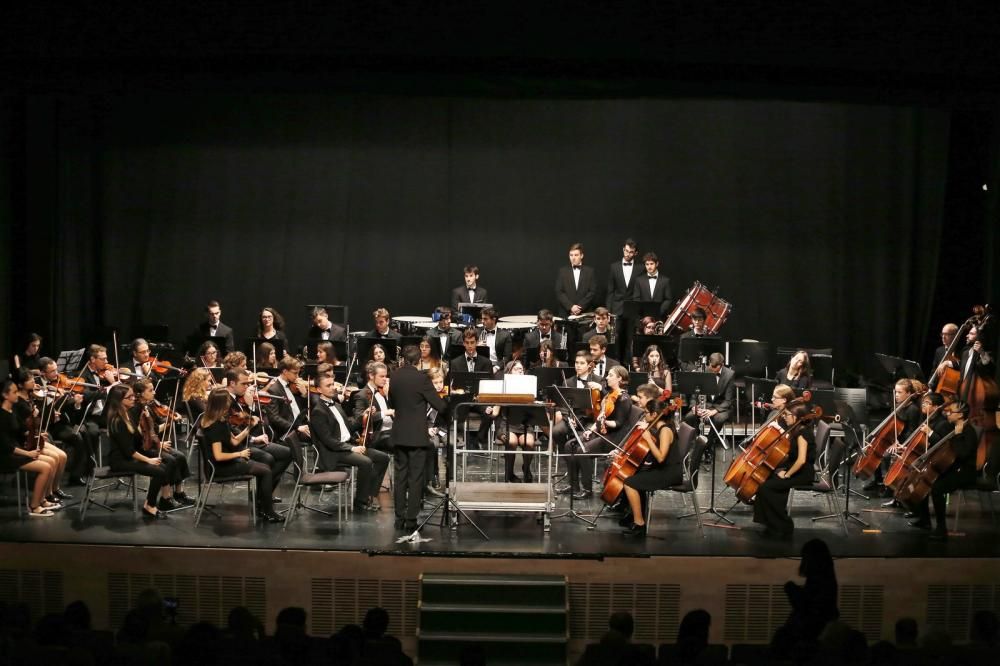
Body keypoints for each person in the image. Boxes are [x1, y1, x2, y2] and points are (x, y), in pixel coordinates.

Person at [199, 387, 283, 523]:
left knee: (265, 466)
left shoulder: (219, 420)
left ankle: (263, 505)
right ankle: (268, 511)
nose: (229, 404)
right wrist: (240, 453)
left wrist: (249, 428)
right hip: (221, 467)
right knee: (266, 470)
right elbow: (218, 456)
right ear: (221, 404)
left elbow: (234, 441)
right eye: (227, 402)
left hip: (227, 461)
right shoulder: (215, 426)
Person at [388, 345, 448, 531]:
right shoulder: (422, 378)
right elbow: (439, 405)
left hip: (399, 434)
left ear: (404, 359)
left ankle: (399, 519)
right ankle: (412, 520)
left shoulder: (395, 376)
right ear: (418, 361)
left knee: (400, 477)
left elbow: (392, 402)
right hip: (416, 436)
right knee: (415, 479)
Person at [311, 373, 390, 514]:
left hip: (347, 446)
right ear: (318, 389)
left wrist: (364, 415)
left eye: (333, 384)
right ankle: (360, 502)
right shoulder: (318, 411)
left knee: (383, 458)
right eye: (328, 386)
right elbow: (328, 441)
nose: (332, 388)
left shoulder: (336, 405)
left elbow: (350, 426)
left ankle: (369, 495)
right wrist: (352, 448)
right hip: (334, 452)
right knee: (365, 462)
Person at [906, 400, 979, 540]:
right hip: (952, 468)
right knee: (925, 481)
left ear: (960, 415)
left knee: (937, 488)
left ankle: (941, 528)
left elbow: (962, 454)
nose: (947, 414)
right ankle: (925, 520)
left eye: (951, 412)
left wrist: (957, 436)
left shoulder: (969, 431)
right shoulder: (952, 427)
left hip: (964, 472)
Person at [620, 382, 680, 537]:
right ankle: (633, 515)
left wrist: (648, 438)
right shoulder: (660, 427)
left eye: (647, 412)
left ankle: (639, 523)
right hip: (663, 469)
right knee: (633, 477)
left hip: (669, 473)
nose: (644, 415)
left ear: (654, 415)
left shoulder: (665, 430)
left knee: (629, 483)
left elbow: (660, 457)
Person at [104, 384, 172, 520]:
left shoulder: (127, 415)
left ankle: (152, 502)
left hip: (127, 457)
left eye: (133, 396)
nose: (133, 399)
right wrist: (148, 460)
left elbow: (137, 439)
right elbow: (129, 451)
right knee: (159, 470)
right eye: (129, 397)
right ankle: (150, 506)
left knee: (163, 466)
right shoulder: (118, 421)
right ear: (120, 401)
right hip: (120, 461)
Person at [224, 368, 292, 503]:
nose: (247, 387)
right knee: (268, 458)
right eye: (243, 384)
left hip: (248, 440)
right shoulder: (224, 401)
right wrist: (254, 439)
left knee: (288, 452)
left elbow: (257, 421)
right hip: (239, 446)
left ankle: (262, 493)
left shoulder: (238, 398)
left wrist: (251, 406)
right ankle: (263, 497)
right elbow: (231, 430)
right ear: (232, 383)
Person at [752, 402, 816, 538]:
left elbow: (801, 460)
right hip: (795, 469)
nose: (784, 417)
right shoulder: (796, 430)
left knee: (767, 488)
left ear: (797, 417)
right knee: (764, 482)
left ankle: (782, 525)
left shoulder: (803, 433)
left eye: (787, 415)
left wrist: (786, 474)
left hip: (803, 473)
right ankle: (770, 524)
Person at [552, 352, 609, 499]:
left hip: (590, 420)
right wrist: (567, 417)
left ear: (590, 365)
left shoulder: (598, 380)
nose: (578, 365)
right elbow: (563, 405)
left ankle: (584, 486)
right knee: (557, 432)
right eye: (576, 362)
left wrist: (601, 389)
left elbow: (608, 400)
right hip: (572, 418)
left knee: (578, 449)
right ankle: (572, 479)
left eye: (582, 363)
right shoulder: (568, 382)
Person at [130, 378, 193, 510]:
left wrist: (171, 420)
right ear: (140, 393)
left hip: (153, 442)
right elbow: (140, 434)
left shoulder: (149, 406)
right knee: (169, 460)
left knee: (180, 456)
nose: (154, 393)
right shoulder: (135, 410)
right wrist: (158, 443)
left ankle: (179, 493)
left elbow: (157, 426)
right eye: (150, 390)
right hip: (142, 447)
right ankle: (166, 498)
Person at [0, 379, 60, 516]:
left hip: (17, 451)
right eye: (14, 392)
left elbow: (22, 431)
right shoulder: (1, 416)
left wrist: (37, 435)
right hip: (6, 456)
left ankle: (42, 499)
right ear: (5, 395)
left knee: (51, 461)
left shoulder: (11, 411)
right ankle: (34, 506)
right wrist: (28, 454)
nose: (17, 395)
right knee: (45, 467)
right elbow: (6, 446)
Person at [772, 538, 839, 652]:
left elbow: (806, 606)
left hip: (810, 631)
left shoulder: (818, 580)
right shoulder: (826, 577)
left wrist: (791, 589)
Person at [494, 360, 538, 483]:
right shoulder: (503, 388)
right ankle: (509, 473)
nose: (520, 371)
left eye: (521, 369)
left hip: (524, 424)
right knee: (512, 441)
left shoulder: (529, 387)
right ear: (509, 372)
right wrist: (492, 408)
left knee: (529, 443)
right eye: (516, 369)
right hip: (506, 424)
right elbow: (495, 413)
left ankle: (526, 468)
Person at [682, 352, 735, 442]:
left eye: (716, 368)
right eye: (711, 367)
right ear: (708, 363)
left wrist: (714, 411)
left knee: (718, 419)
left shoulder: (730, 374)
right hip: (706, 404)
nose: (713, 371)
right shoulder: (701, 371)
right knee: (689, 417)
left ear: (722, 365)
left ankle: (708, 444)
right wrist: (694, 407)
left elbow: (728, 400)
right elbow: (694, 396)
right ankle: (697, 441)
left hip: (721, 407)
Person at [606, 239, 640, 356]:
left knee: (631, 338)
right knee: (615, 338)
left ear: (635, 253)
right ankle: (616, 364)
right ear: (623, 249)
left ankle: (629, 366)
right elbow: (610, 290)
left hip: (632, 309)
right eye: (626, 251)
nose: (627, 254)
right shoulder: (614, 267)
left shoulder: (640, 268)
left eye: (631, 252)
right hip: (616, 308)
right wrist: (609, 311)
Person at [352, 361, 394, 453]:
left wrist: (388, 396)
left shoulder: (386, 392)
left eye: (386, 376)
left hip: (392, 431)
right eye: (381, 376)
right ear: (371, 375)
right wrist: (384, 413)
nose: (385, 379)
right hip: (376, 436)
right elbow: (358, 420)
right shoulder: (362, 395)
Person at [554, 242, 597, 318]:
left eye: (576, 255)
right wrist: (571, 307)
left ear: (582, 256)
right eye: (571, 255)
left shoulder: (590, 271)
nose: (573, 258)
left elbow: (592, 292)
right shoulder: (562, 271)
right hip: (566, 313)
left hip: (584, 313)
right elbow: (559, 292)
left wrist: (580, 306)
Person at [635, 251, 672, 316]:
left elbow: (668, 299)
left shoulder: (665, 281)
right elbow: (636, 299)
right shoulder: (639, 280)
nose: (649, 267)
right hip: (643, 318)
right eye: (647, 264)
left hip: (660, 317)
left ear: (657, 264)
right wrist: (644, 315)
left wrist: (658, 312)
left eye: (651, 264)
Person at [479, 308, 512, 376]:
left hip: (497, 367)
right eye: (482, 318)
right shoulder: (477, 332)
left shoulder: (505, 335)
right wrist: (477, 346)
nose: (482, 321)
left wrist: (496, 368)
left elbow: (507, 357)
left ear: (493, 319)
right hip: (480, 366)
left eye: (485, 319)